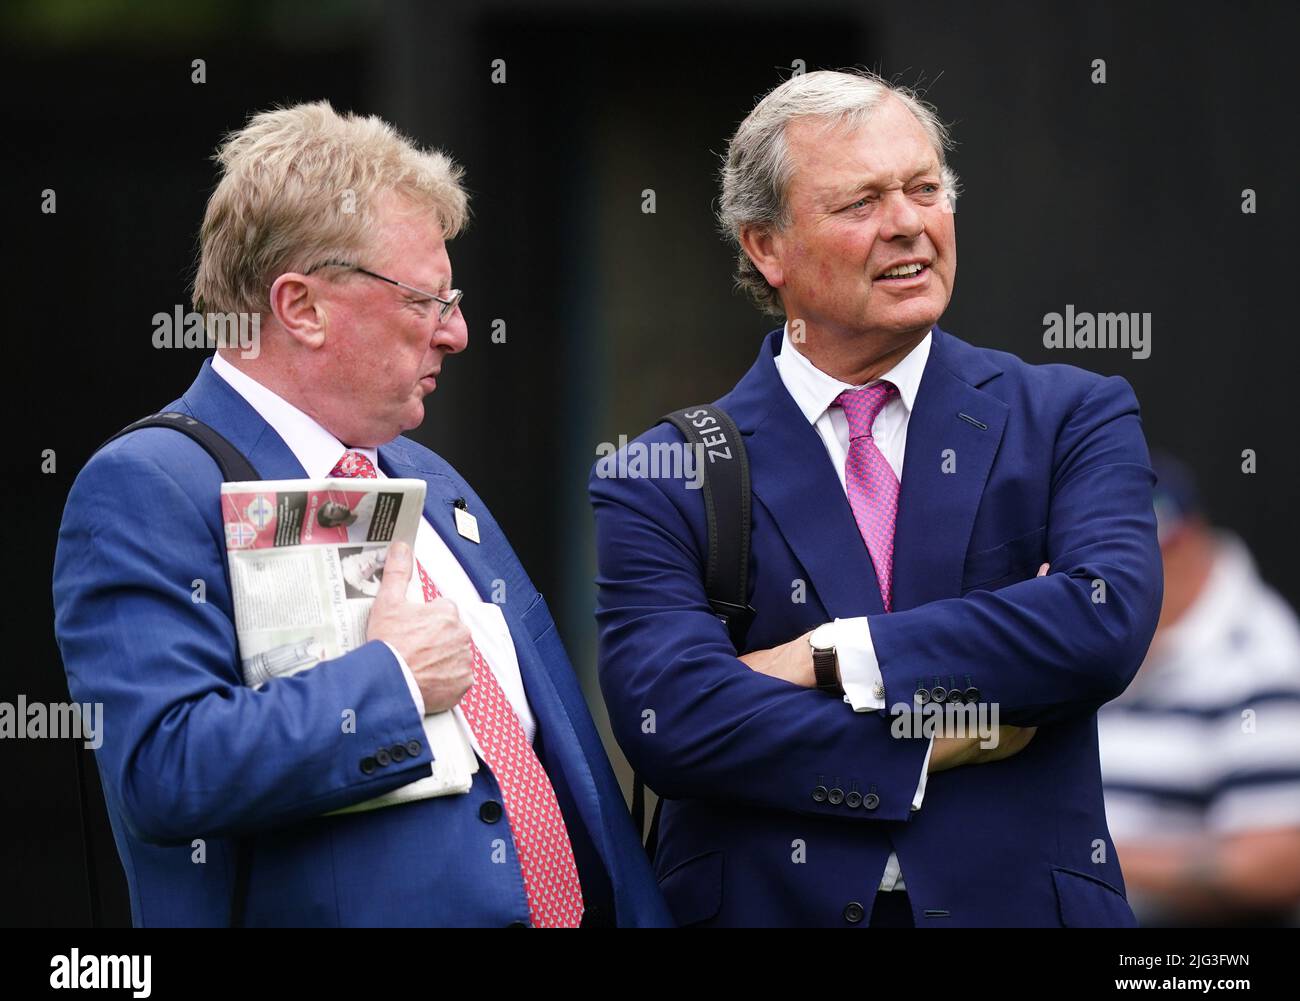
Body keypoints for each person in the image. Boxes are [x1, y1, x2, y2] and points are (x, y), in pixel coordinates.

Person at [54, 101, 670, 928]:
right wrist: (392, 681)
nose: (455, 332)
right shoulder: (149, 485)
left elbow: (563, 760)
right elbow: (165, 772)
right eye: (426, 299)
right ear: (301, 307)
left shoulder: (429, 477)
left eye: (455, 299)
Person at [589, 70, 1162, 927]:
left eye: (926, 189)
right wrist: (930, 744)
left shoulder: (1071, 414)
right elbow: (671, 717)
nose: (909, 223)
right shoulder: (663, 469)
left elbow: (1099, 624)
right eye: (860, 202)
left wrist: (831, 655)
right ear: (765, 248)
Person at [1099, 454, 1300, 926]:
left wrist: (1081, 860)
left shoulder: (1260, 661)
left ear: (1181, 545)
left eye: (1120, 561)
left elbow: (1277, 863)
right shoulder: (1108, 629)